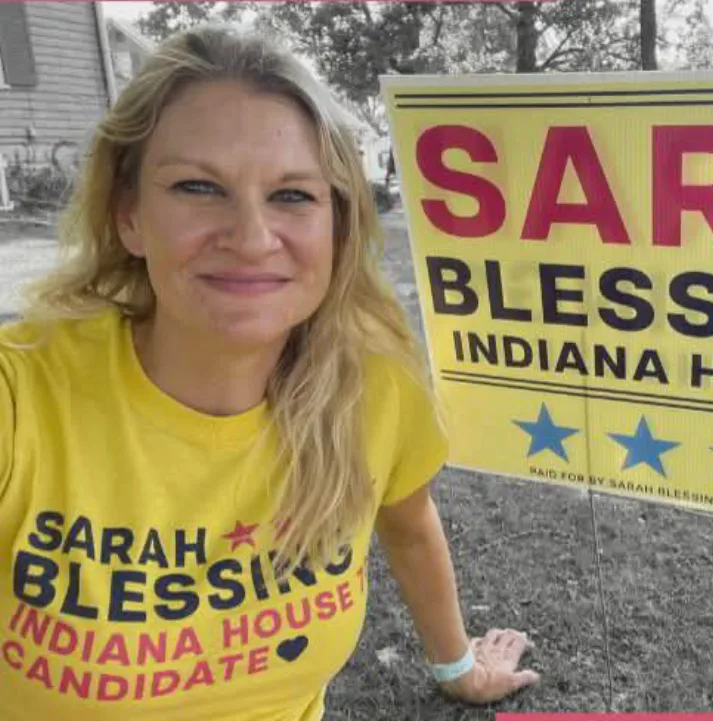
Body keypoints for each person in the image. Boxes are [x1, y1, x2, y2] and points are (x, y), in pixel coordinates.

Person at [0, 25, 538, 721]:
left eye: (293, 196)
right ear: (129, 215)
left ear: (337, 224)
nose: (252, 238)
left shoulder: (370, 387)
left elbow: (408, 522)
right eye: (198, 186)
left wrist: (458, 666)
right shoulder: (24, 398)